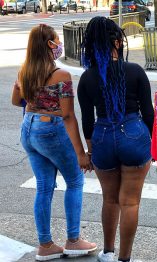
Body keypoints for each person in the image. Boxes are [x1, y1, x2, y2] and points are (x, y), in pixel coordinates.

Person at [12, 24, 97, 261]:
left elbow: (15, 100)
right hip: (51, 128)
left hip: (28, 129)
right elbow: (68, 115)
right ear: (50, 45)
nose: (59, 44)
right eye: (57, 40)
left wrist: (35, 99)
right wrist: (81, 152)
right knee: (75, 181)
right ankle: (73, 240)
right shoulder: (60, 75)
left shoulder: (24, 71)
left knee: (44, 186)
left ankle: (46, 245)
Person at [78, 17, 154, 262]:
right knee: (130, 203)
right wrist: (150, 143)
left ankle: (108, 252)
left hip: (102, 136)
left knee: (109, 199)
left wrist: (90, 152)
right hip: (133, 133)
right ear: (118, 43)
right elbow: (149, 113)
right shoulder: (134, 71)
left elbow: (87, 121)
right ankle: (125, 258)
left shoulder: (87, 78)